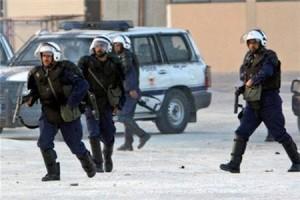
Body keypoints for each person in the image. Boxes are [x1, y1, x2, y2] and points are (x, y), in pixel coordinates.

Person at [220, 29, 300, 173]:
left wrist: (253, 80)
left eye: (254, 42)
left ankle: (298, 162)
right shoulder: (249, 58)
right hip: (253, 103)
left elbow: (267, 72)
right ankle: (234, 164)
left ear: (261, 42)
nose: (251, 45)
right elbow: (246, 77)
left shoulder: (270, 56)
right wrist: (242, 88)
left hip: (269, 101)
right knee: (241, 132)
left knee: (279, 134)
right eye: (249, 43)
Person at [26, 42, 96, 181]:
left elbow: (82, 84)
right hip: (49, 114)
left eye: (48, 55)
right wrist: (30, 99)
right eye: (43, 55)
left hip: (68, 114)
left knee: (75, 145)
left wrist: (72, 102)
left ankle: (89, 165)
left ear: (55, 56)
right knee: (44, 143)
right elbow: (35, 91)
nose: (45, 58)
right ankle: (53, 173)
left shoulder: (65, 70)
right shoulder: (36, 73)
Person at [78, 36, 124, 172]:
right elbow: (78, 79)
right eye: (97, 46)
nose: (99, 48)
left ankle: (107, 157)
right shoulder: (86, 63)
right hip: (91, 102)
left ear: (107, 48)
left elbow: (120, 86)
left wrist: (118, 104)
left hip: (107, 104)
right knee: (93, 133)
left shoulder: (114, 64)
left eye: (102, 46)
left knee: (109, 135)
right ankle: (98, 163)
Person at [112, 35, 151, 151]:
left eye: (118, 44)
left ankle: (143, 135)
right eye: (114, 44)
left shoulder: (126, 56)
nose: (116, 47)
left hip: (130, 92)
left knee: (122, 117)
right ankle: (128, 143)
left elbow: (130, 74)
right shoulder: (121, 56)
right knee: (128, 117)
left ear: (124, 45)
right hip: (127, 91)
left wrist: (131, 89)